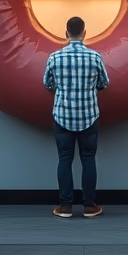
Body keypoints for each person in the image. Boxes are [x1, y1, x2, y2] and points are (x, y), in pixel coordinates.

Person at [43, 16, 110, 218]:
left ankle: (65, 207)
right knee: (88, 158)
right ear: (84, 33)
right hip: (89, 116)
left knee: (64, 159)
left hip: (62, 116)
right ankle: (89, 206)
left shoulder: (55, 57)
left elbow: (47, 84)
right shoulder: (95, 57)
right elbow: (104, 83)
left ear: (66, 33)